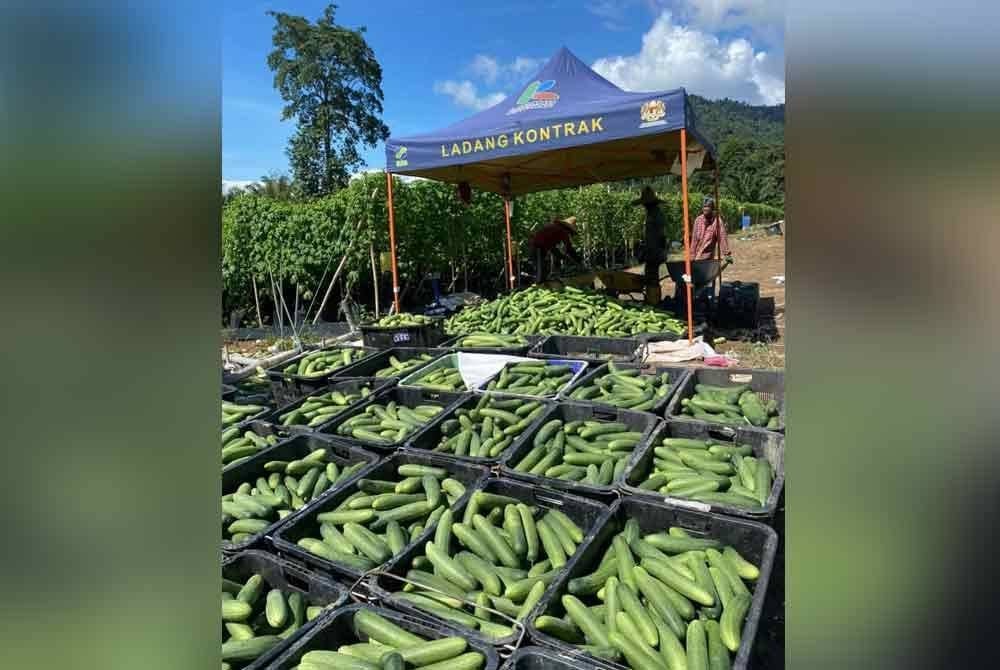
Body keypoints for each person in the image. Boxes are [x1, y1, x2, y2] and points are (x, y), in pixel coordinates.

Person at [527, 216, 582, 282]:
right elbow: (569, 248)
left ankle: (543, 284)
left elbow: (551, 246)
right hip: (538, 247)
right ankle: (540, 286)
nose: (570, 234)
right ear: (569, 229)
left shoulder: (555, 227)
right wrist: (578, 260)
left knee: (544, 268)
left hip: (541, 246)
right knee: (541, 270)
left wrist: (561, 256)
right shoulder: (562, 231)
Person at [690, 197, 732, 262]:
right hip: (696, 257)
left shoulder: (717, 221)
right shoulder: (698, 220)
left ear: (712, 209)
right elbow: (694, 240)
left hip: (707, 258)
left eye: (708, 207)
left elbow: (722, 237)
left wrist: (727, 254)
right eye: (704, 206)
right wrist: (692, 256)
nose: (705, 209)